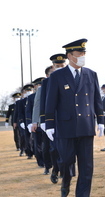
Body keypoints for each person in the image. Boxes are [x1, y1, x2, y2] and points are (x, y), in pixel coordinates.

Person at [45, 38, 104, 197]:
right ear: (70, 55)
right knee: (65, 162)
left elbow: (96, 99)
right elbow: (51, 102)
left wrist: (101, 120)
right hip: (66, 127)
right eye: (80, 53)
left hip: (86, 126)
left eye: (84, 53)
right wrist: (49, 123)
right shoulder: (57, 76)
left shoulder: (91, 74)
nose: (83, 55)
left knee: (86, 167)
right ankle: (65, 183)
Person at [40, 54, 67, 183]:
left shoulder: (71, 78)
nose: (60, 68)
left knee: (68, 149)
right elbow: (43, 102)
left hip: (68, 119)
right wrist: (43, 120)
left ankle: (66, 172)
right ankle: (55, 169)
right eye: (57, 66)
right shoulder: (47, 82)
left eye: (62, 66)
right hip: (53, 120)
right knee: (54, 148)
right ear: (53, 66)